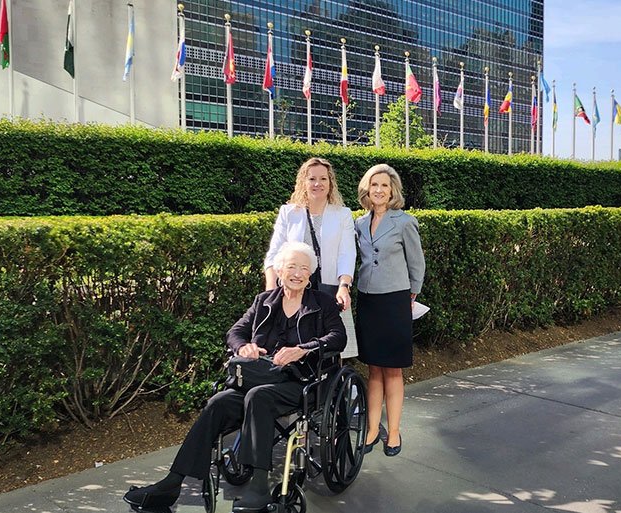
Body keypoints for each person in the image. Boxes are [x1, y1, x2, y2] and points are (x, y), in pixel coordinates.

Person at [123, 242, 346, 511]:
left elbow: (338, 337)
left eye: (304, 268)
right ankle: (172, 482)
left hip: (300, 383)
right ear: (279, 270)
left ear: (310, 274)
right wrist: (244, 346)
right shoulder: (264, 301)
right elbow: (235, 332)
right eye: (291, 267)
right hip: (258, 376)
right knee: (218, 402)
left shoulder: (321, 303)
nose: (297, 273)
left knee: (257, 397)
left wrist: (302, 350)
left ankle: (260, 485)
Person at [354, 164, 425, 458]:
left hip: (396, 300)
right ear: (366, 190)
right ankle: (372, 428)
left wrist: (411, 293)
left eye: (384, 185)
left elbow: (416, 262)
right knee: (373, 369)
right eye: (374, 185)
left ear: (392, 190)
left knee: (392, 370)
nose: (379, 190)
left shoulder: (404, 222)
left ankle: (393, 431)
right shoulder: (358, 223)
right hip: (368, 299)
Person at [263, 157, 358, 359]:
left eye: (323, 178)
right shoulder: (289, 213)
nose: (317, 184)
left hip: (329, 288)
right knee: (291, 339)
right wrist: (271, 290)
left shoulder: (343, 214)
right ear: (303, 182)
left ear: (330, 183)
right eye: (312, 178)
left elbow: (347, 253)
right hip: (293, 288)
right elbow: (274, 253)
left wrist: (344, 286)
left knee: (331, 345)